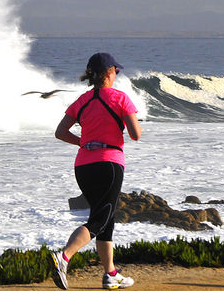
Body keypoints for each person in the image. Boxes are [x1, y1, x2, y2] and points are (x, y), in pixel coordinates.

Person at [49, 52, 142, 290]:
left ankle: (111, 274)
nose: (117, 75)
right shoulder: (121, 98)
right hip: (109, 164)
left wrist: (84, 143)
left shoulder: (82, 100)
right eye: (116, 71)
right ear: (109, 73)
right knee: (100, 219)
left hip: (83, 166)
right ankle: (64, 257)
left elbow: (60, 132)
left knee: (104, 217)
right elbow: (135, 134)